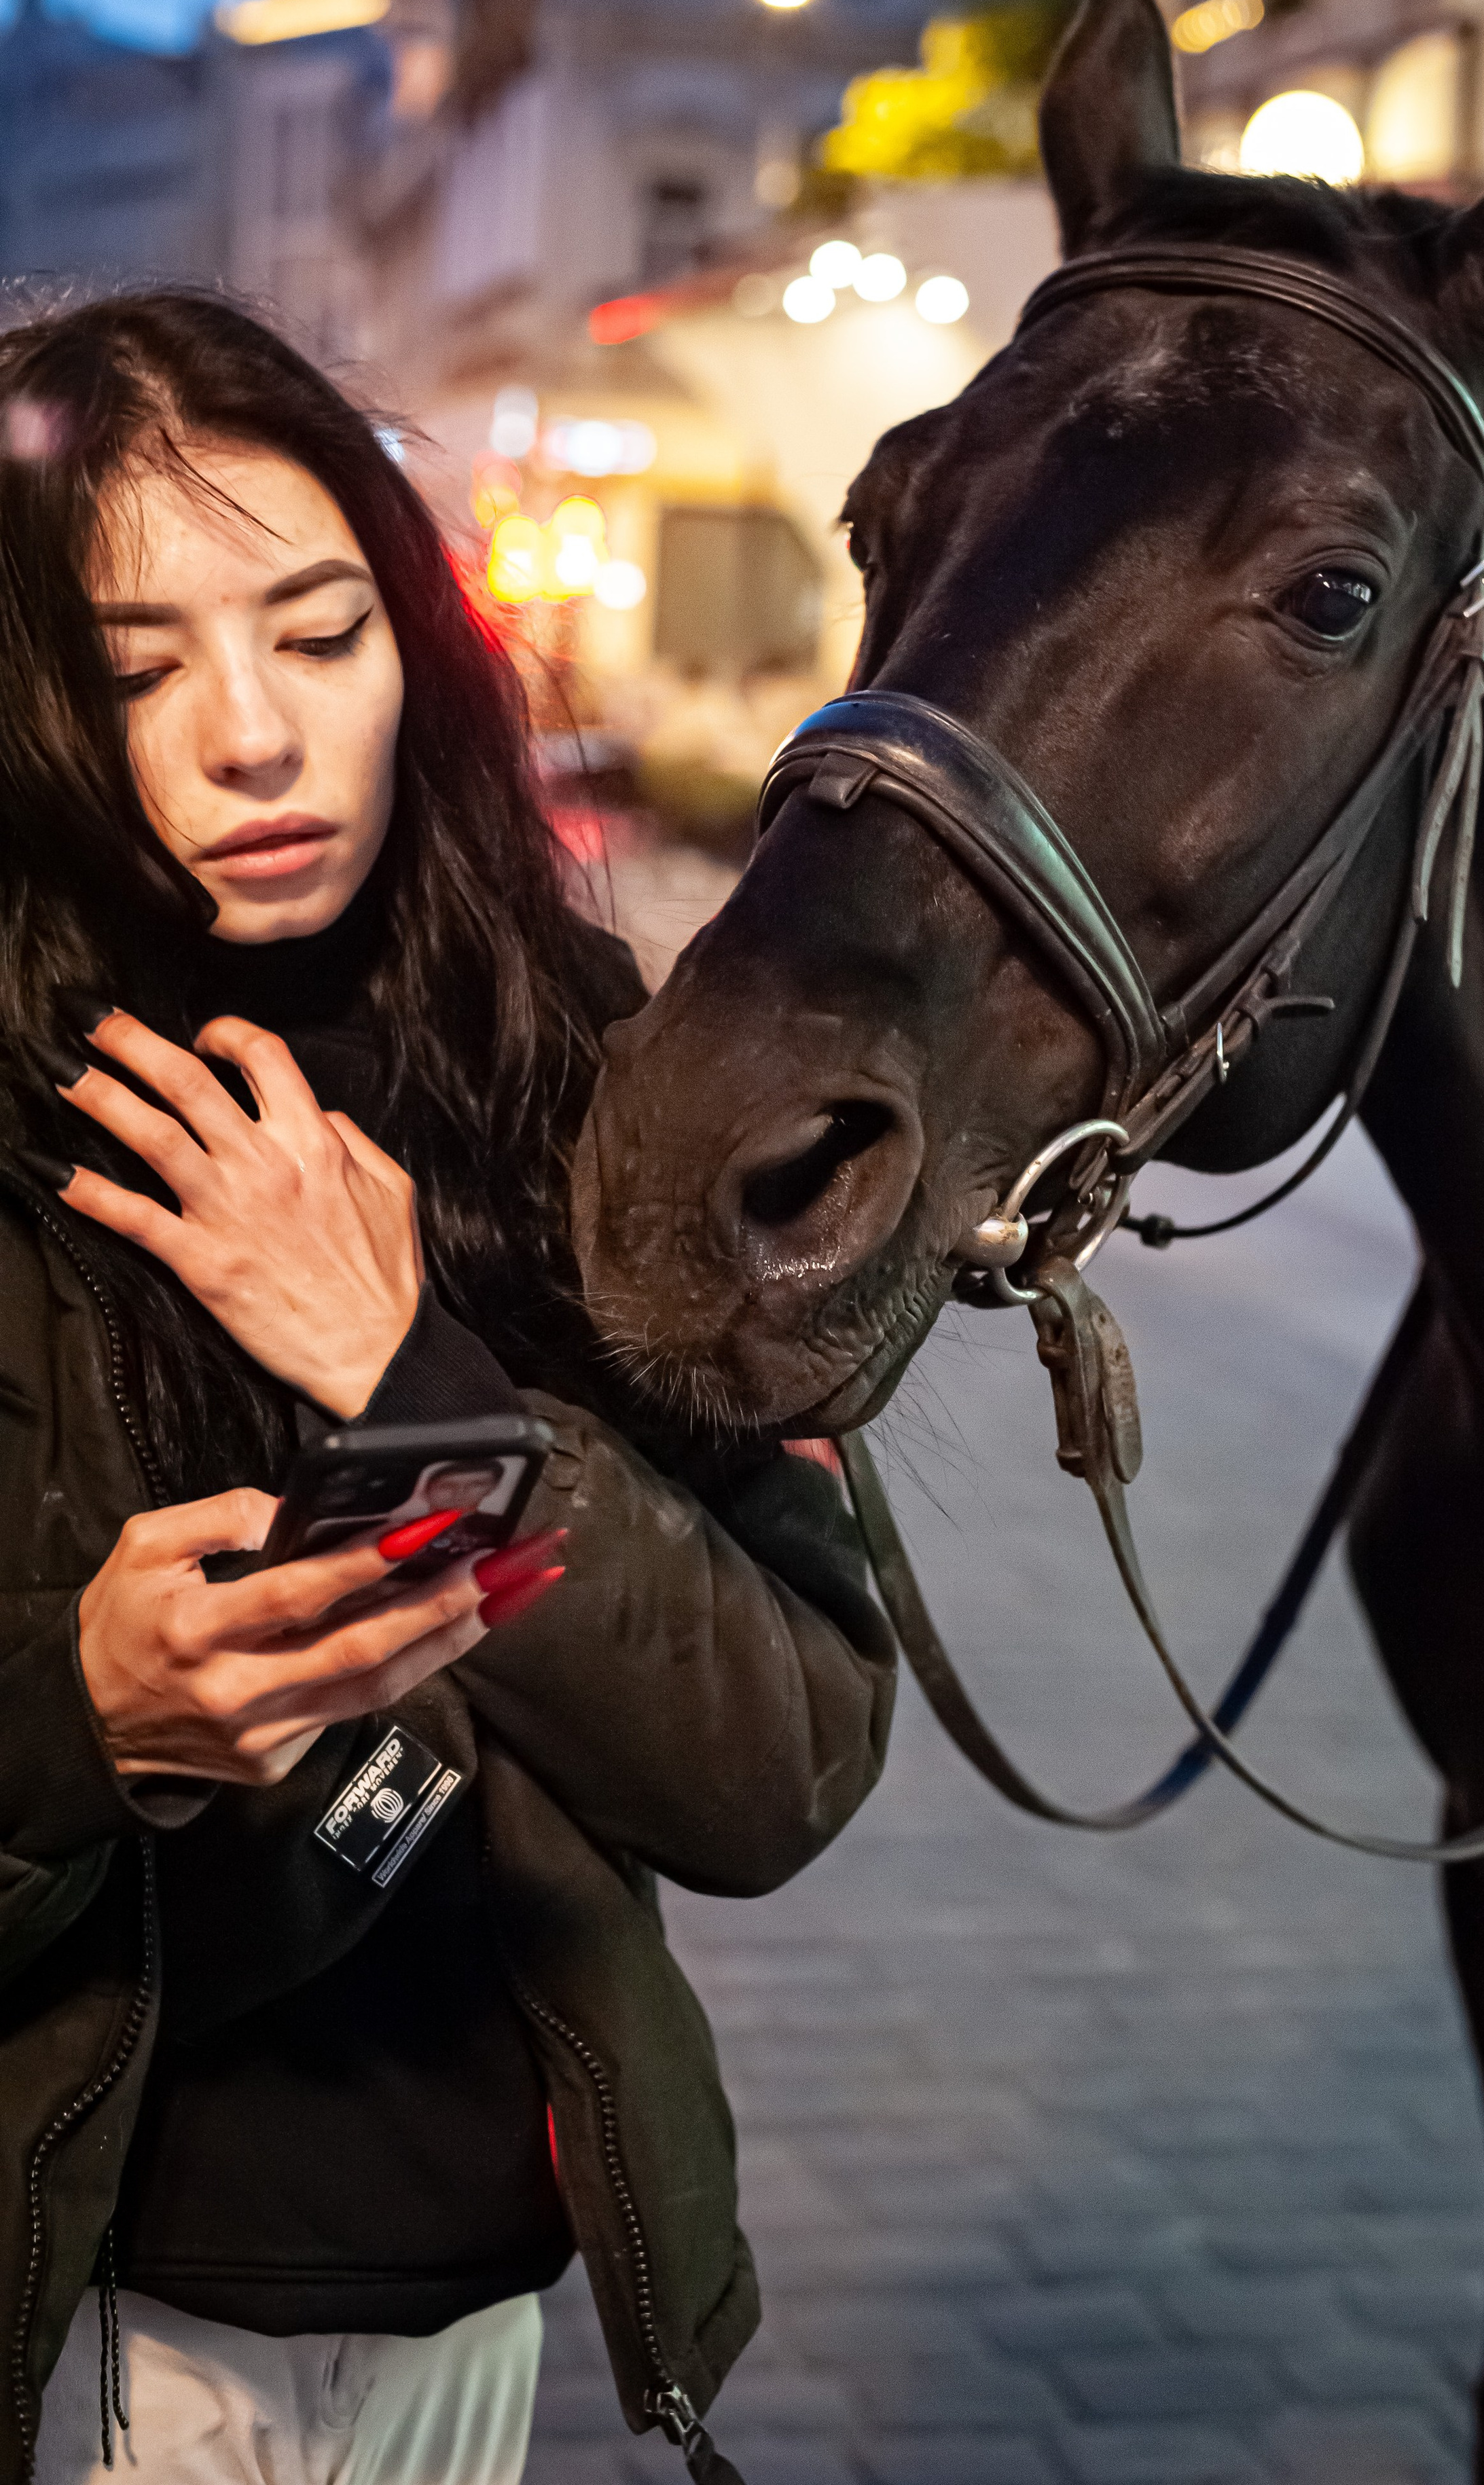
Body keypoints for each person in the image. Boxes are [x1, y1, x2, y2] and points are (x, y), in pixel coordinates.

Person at [0, 293, 896, 2485]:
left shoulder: (589, 1073)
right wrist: (76, 1719)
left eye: (320, 634)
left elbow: (781, 1759)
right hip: (68, 2289)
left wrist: (422, 1391)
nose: (254, 735)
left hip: (469, 2307)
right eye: (140, 669)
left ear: (420, 642)